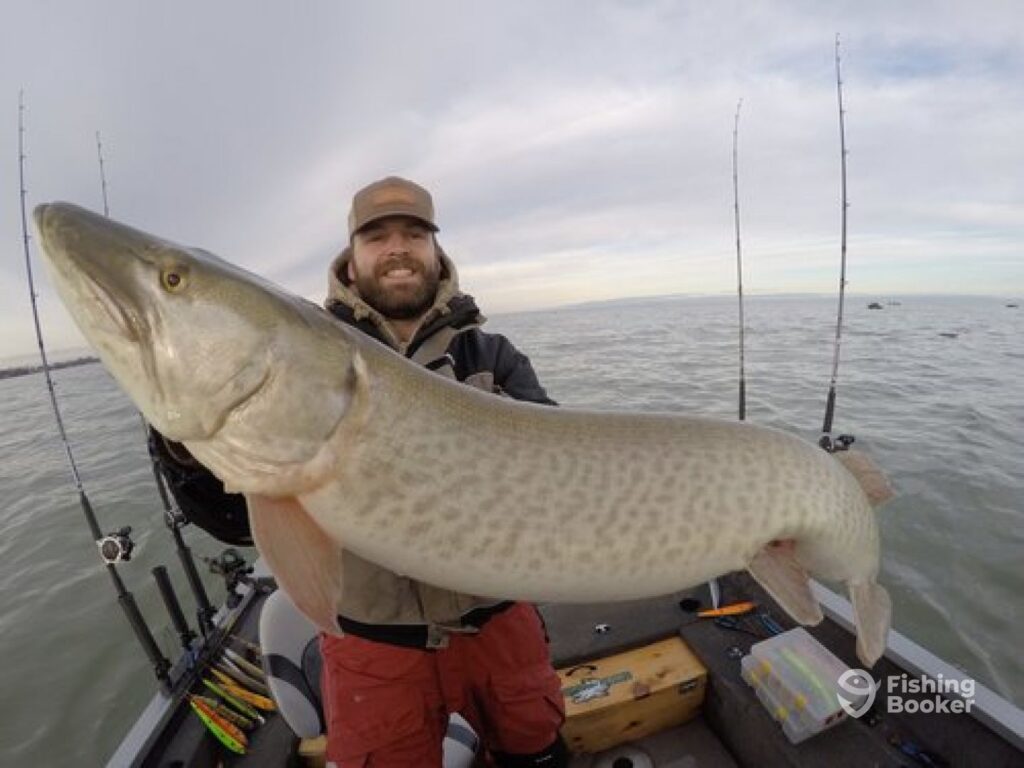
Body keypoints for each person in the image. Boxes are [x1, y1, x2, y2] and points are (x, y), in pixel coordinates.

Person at [151, 177, 568, 768]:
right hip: (373, 643)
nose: (398, 247)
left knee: (540, 750)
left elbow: (558, 476)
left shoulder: (490, 355)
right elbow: (235, 525)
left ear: (435, 250)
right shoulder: (300, 356)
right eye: (378, 235)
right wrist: (185, 446)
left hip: (498, 624)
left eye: (414, 233)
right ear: (352, 252)